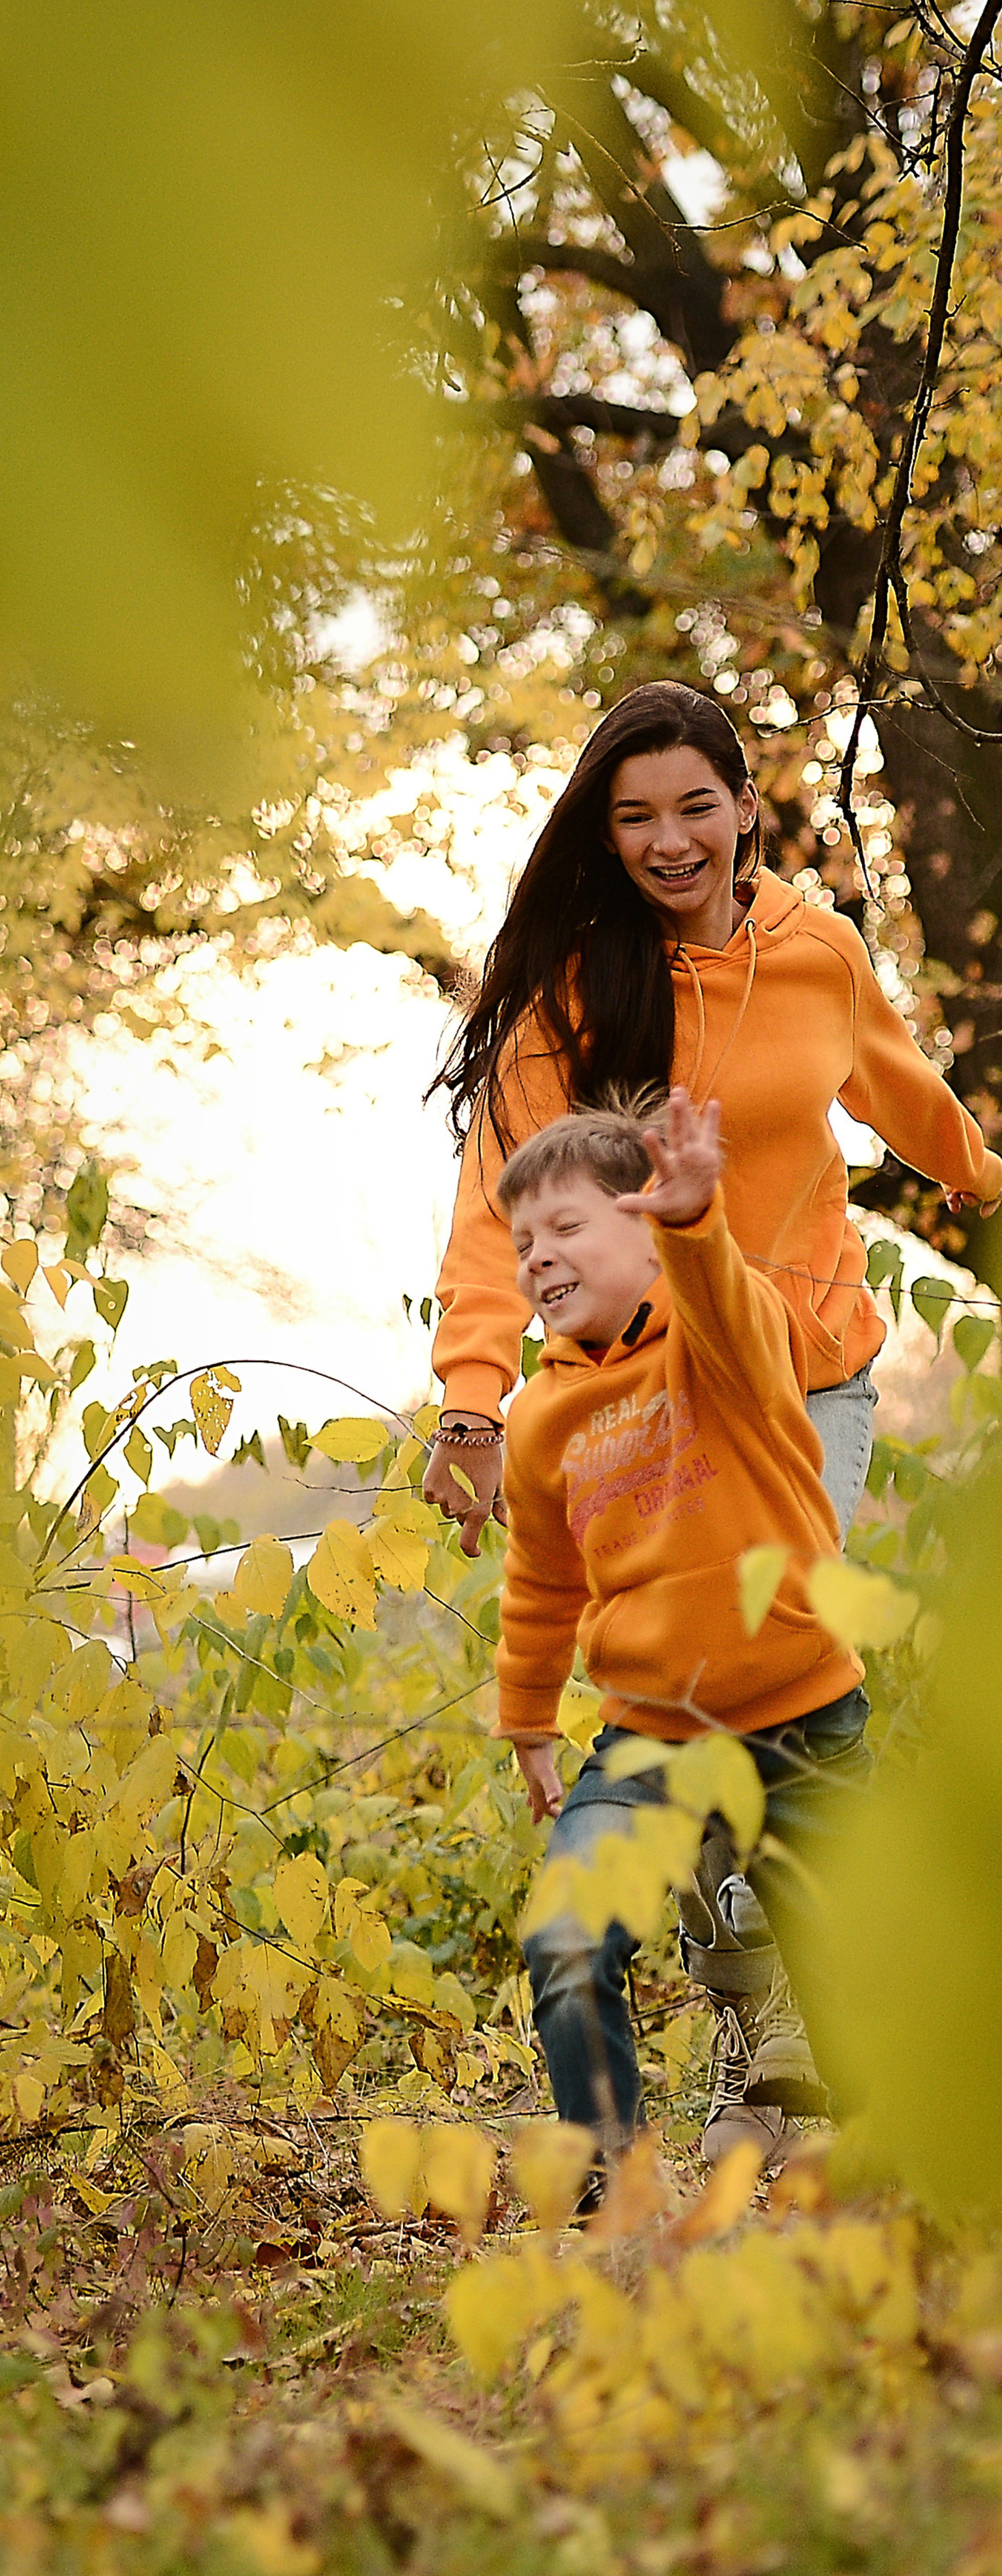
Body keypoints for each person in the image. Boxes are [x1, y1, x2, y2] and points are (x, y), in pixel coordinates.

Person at [422, 680, 999, 2154]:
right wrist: (474, 1401)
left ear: (746, 805)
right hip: (632, 1393)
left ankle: (814, 2017)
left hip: (805, 1363)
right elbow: (504, 1214)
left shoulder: (817, 952)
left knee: (780, 1642)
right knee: (672, 1688)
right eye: (633, 817)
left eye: (694, 806)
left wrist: (984, 1177)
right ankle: (753, 2005)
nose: (668, 840)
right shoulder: (568, 992)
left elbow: (898, 1091)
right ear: (599, 833)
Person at [495, 1091, 869, 2164]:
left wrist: (699, 1217)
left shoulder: (724, 1343)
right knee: (567, 1940)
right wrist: (526, 1719)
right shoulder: (542, 1419)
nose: (538, 1258)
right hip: (651, 1732)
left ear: (646, 1227)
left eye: (568, 1227)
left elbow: (721, 1294)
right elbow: (540, 1582)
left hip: (803, 1715)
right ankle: (613, 2185)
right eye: (524, 1242)